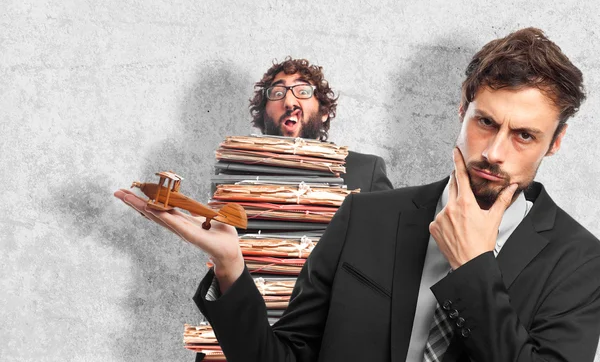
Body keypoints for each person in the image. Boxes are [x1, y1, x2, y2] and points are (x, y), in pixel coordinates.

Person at [115, 28, 600, 361]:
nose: (494, 152)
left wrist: (473, 267)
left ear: (555, 143)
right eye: (486, 122)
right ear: (462, 111)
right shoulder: (366, 217)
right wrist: (230, 267)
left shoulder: (581, 263)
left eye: (524, 136)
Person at [248, 57, 392, 192]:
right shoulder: (238, 174)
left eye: (303, 91)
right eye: (278, 93)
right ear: (264, 113)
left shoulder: (366, 172)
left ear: (324, 112)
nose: (289, 103)